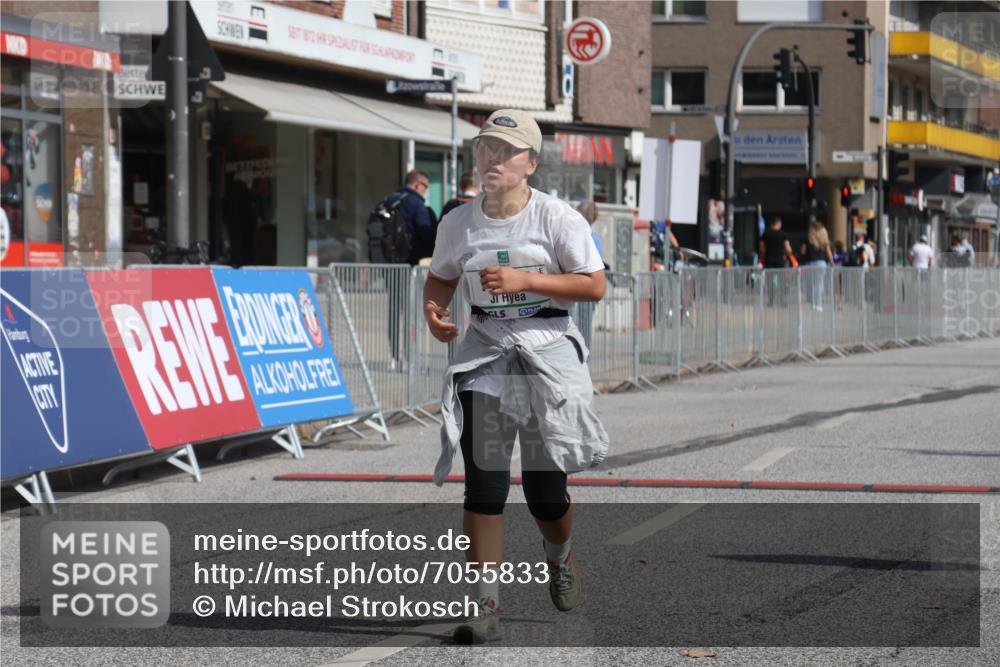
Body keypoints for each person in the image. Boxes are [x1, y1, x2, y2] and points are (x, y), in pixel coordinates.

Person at [423, 109, 608, 645]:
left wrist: (527, 278)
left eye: (506, 151)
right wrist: (434, 314)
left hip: (548, 354)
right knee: (485, 485)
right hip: (487, 355)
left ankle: (561, 555)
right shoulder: (458, 222)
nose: (493, 160)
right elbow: (440, 279)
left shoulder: (557, 219)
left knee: (545, 495)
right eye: (486, 149)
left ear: (530, 161)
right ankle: (485, 608)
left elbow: (594, 286)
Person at [381, 170, 435, 369]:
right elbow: (426, 233)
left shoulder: (388, 201)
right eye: (426, 186)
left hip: (389, 265)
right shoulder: (416, 204)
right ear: (417, 185)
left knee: (394, 311)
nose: (426, 191)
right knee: (412, 312)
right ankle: (411, 357)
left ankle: (394, 358)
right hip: (411, 266)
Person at [575, 200, 607, 350]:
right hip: (587, 288)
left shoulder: (582, 235)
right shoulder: (593, 237)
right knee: (584, 325)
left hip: (580, 287)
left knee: (582, 326)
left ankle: (583, 357)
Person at [801, 221, 833, 310]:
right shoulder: (825, 240)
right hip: (821, 263)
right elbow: (828, 253)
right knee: (819, 284)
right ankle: (818, 304)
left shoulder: (807, 238)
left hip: (809, 263)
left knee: (810, 284)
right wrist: (832, 262)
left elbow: (803, 252)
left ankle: (812, 303)